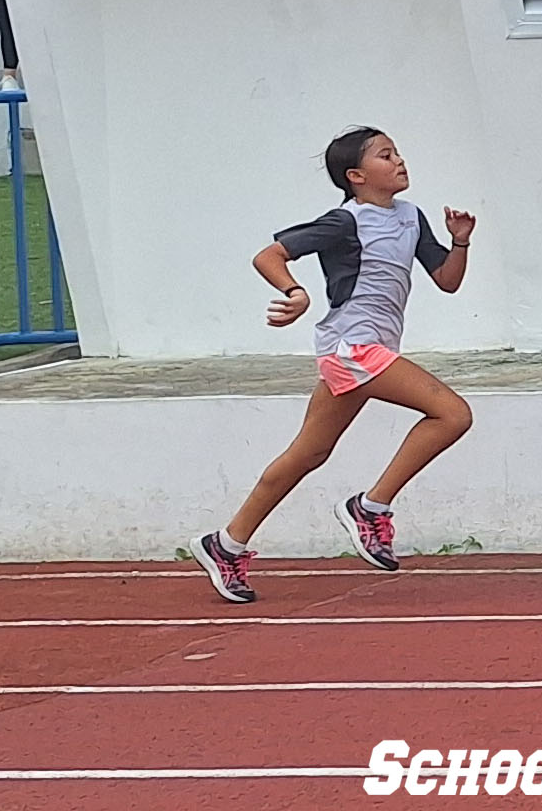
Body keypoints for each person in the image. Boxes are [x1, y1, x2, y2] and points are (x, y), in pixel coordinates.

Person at [190, 126, 476, 602]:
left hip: (373, 349)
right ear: (357, 176)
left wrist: (460, 242)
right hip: (352, 348)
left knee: (308, 453)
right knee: (453, 414)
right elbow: (269, 255)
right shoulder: (345, 222)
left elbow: (447, 281)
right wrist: (294, 292)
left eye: (398, 152)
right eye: (386, 156)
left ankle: (226, 543)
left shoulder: (410, 217)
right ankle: (371, 507)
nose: (400, 161)